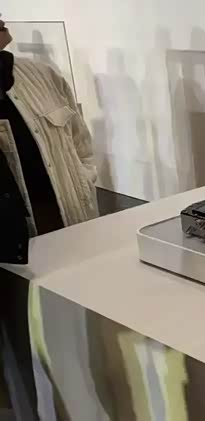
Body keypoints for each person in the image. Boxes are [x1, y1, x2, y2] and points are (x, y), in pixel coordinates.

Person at [0, 15, 98, 420]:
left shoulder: (40, 76)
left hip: (70, 238)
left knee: (79, 347)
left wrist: (84, 183)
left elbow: (80, 143)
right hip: (12, 262)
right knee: (23, 364)